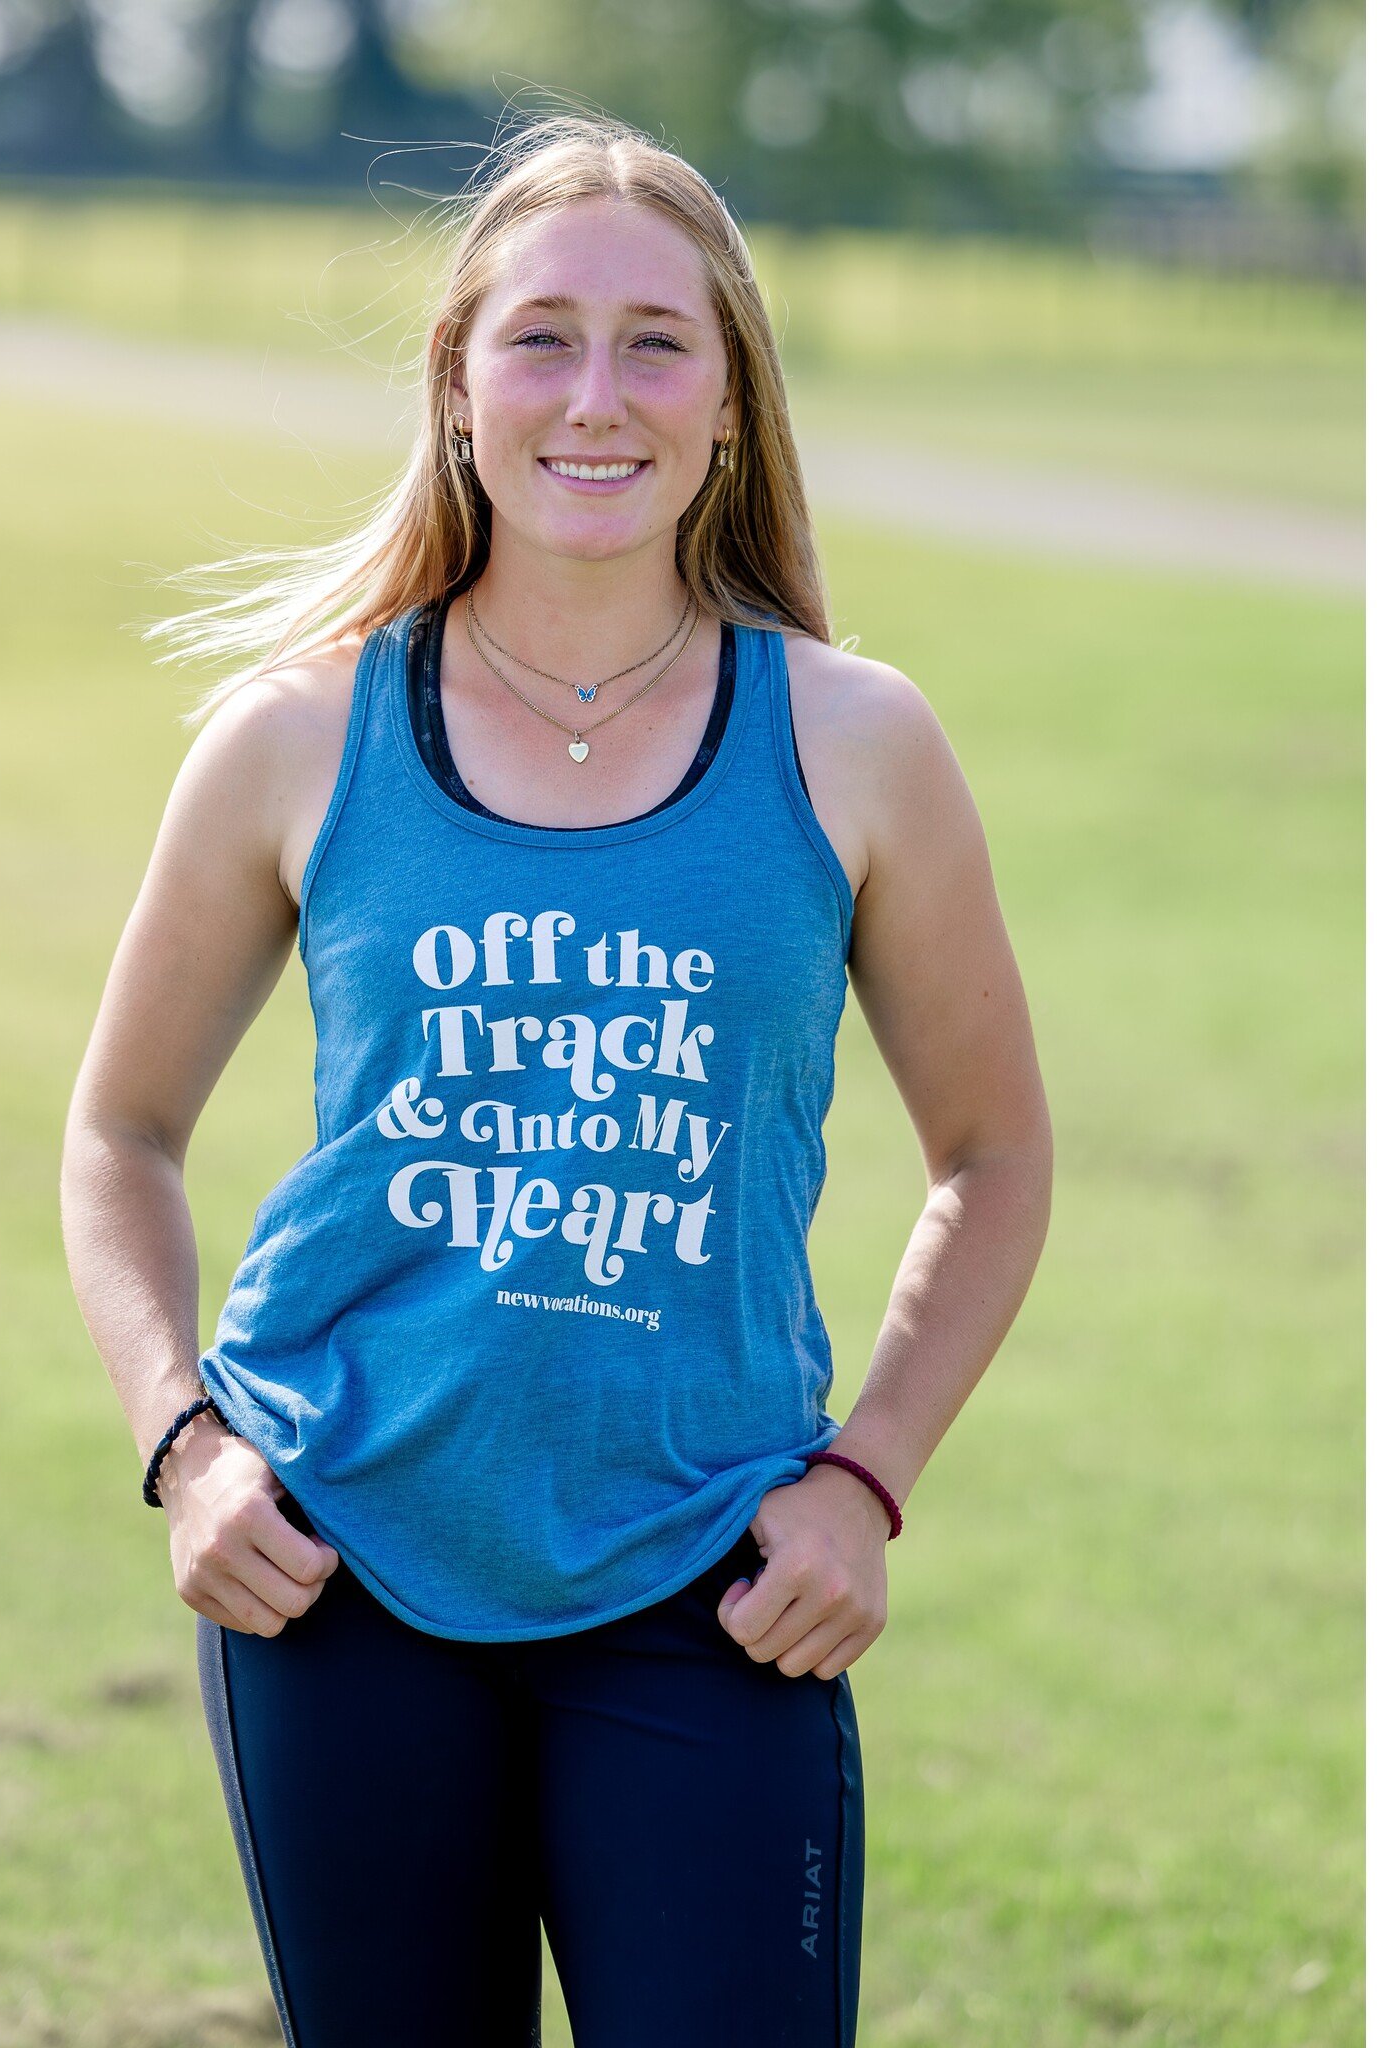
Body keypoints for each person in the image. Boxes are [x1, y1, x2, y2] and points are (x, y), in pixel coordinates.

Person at [61, 110, 1052, 2048]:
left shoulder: (853, 742)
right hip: (335, 1567)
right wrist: (185, 1444)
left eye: (654, 341)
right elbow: (118, 1132)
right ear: (455, 383)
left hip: (710, 1574)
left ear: (728, 405)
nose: (592, 394)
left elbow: (993, 1153)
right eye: (538, 335)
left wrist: (863, 1478)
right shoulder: (297, 732)